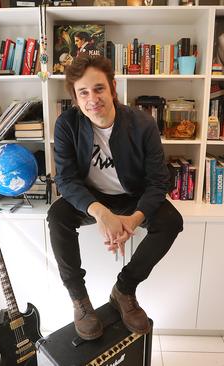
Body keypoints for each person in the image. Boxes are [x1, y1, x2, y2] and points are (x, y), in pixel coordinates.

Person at [48, 55, 183, 340]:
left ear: (112, 88)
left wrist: (133, 220)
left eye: (98, 89)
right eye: (83, 92)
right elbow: (66, 179)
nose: (92, 99)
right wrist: (101, 214)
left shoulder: (142, 123)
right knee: (57, 216)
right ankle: (80, 300)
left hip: (131, 196)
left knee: (171, 221)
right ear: (75, 97)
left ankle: (124, 290)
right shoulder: (67, 124)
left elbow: (158, 182)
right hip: (92, 198)